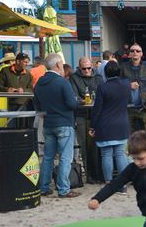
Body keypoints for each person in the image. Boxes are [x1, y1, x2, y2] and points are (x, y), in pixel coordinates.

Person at [34, 53, 80, 198]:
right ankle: (63, 189)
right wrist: (77, 101)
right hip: (64, 123)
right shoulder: (62, 82)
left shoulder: (39, 83)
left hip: (48, 124)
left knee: (48, 157)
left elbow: (37, 106)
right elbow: (72, 104)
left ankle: (44, 187)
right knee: (65, 157)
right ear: (58, 65)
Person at [89, 61, 130, 187]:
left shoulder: (103, 87)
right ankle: (123, 182)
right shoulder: (126, 85)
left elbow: (97, 109)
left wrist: (92, 126)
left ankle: (108, 181)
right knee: (120, 154)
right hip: (122, 124)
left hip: (105, 125)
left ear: (106, 73)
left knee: (106, 154)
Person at [70, 56, 104, 162]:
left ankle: (98, 171)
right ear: (79, 68)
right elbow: (74, 95)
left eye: (89, 68)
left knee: (98, 142)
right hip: (81, 114)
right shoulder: (74, 78)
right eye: (84, 68)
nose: (87, 71)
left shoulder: (98, 77)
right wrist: (82, 100)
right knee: (84, 144)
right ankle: (87, 169)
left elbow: (103, 94)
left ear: (92, 66)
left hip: (96, 114)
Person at [120, 43, 146, 132]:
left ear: (141, 54)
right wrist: (128, 86)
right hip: (128, 108)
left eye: (138, 51)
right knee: (129, 137)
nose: (135, 52)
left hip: (145, 108)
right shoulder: (123, 67)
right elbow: (118, 86)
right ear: (129, 53)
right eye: (132, 51)